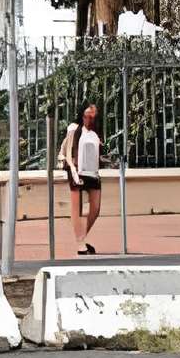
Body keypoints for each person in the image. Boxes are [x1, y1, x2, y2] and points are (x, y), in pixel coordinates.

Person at [59, 101, 104, 255]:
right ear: (82, 115)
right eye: (87, 116)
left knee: (95, 209)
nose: (90, 119)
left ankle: (81, 238)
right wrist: (72, 169)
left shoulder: (95, 132)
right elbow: (68, 151)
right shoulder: (74, 129)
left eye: (94, 116)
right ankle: (80, 244)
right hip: (76, 170)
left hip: (93, 172)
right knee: (76, 208)